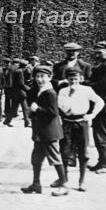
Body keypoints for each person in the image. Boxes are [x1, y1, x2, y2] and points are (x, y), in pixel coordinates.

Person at [21, 64, 67, 196]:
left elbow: (53, 112)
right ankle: (36, 184)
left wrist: (37, 109)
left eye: (42, 77)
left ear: (50, 77)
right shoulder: (40, 90)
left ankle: (64, 184)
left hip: (49, 132)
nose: (39, 79)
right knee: (36, 158)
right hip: (41, 132)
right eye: (37, 76)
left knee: (55, 158)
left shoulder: (50, 92)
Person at [57, 66, 104, 191]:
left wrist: (92, 115)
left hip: (81, 123)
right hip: (67, 123)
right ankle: (64, 179)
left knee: (83, 152)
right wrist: (66, 107)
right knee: (65, 151)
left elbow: (100, 102)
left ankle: (82, 181)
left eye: (76, 79)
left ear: (81, 78)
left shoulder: (86, 90)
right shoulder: (63, 91)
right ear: (67, 79)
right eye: (71, 79)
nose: (74, 82)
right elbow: (60, 105)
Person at [85, 42, 106, 174]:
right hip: (101, 104)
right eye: (96, 51)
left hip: (103, 105)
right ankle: (102, 162)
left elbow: (100, 85)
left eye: (100, 52)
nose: (97, 54)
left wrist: (84, 83)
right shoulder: (104, 65)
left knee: (102, 134)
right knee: (98, 134)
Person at [4, 59, 30, 127]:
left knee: (15, 108)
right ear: (24, 66)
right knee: (24, 107)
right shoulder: (20, 72)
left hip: (15, 92)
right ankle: (27, 121)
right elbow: (21, 83)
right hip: (20, 92)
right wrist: (28, 89)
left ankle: (7, 121)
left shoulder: (17, 70)